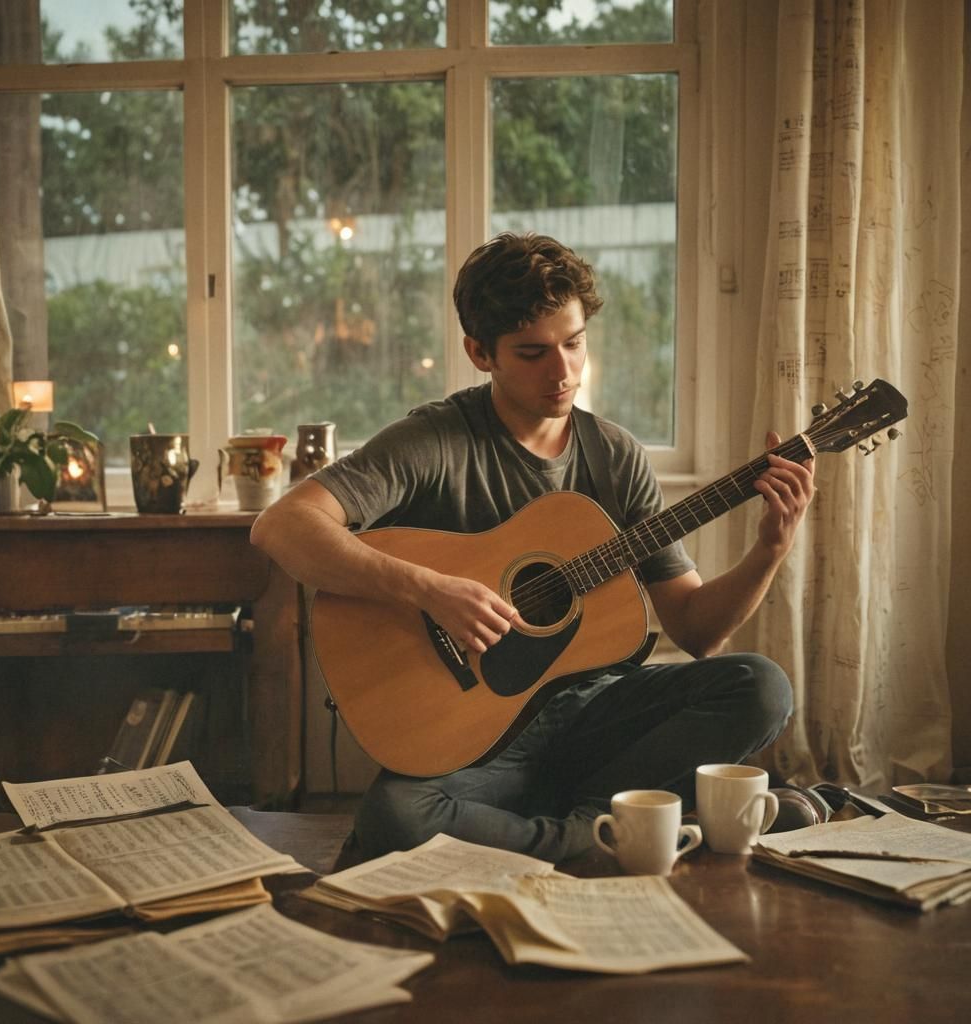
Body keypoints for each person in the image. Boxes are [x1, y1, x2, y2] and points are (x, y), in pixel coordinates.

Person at [251, 232, 815, 863]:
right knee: (396, 816)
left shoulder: (613, 455)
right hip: (479, 745)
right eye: (533, 352)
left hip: (595, 719)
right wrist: (430, 590)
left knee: (761, 685)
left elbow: (698, 631)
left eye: (574, 344)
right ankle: (613, 832)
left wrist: (769, 547)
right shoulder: (436, 440)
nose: (563, 371)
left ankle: (578, 826)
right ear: (479, 352)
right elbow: (282, 526)